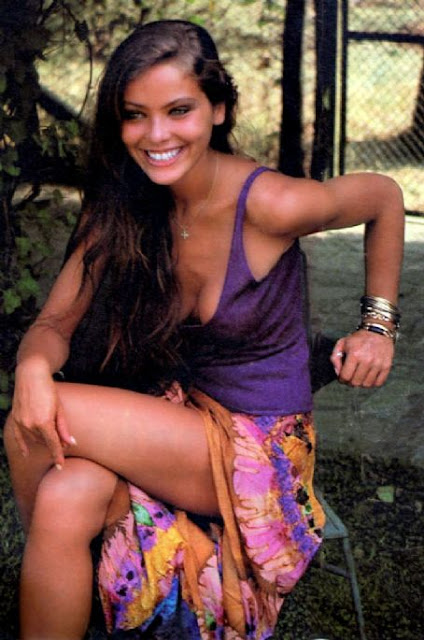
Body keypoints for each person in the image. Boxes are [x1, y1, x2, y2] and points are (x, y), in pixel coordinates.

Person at [4, 18, 404, 640]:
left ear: (218, 109)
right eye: (135, 115)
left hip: (259, 449)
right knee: (64, 495)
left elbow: (383, 195)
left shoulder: (269, 204)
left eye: (179, 110)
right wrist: (33, 363)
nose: (156, 135)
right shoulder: (126, 203)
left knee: (48, 412)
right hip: (178, 421)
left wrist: (377, 326)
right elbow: (56, 320)